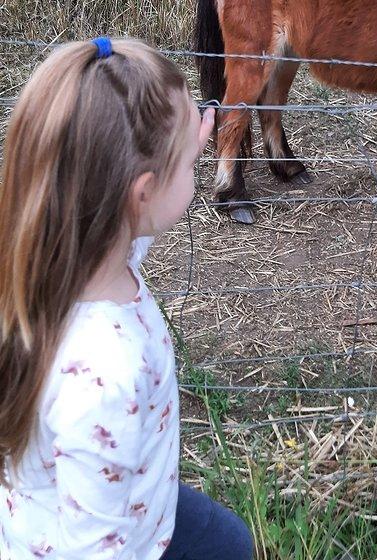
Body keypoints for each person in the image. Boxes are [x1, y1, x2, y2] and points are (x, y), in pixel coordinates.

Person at [0, 37, 254, 560]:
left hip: (129, 502)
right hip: (114, 540)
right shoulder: (104, 377)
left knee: (229, 541)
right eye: (189, 164)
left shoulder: (71, 257)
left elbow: (139, 221)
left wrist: (186, 144)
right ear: (143, 192)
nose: (196, 167)